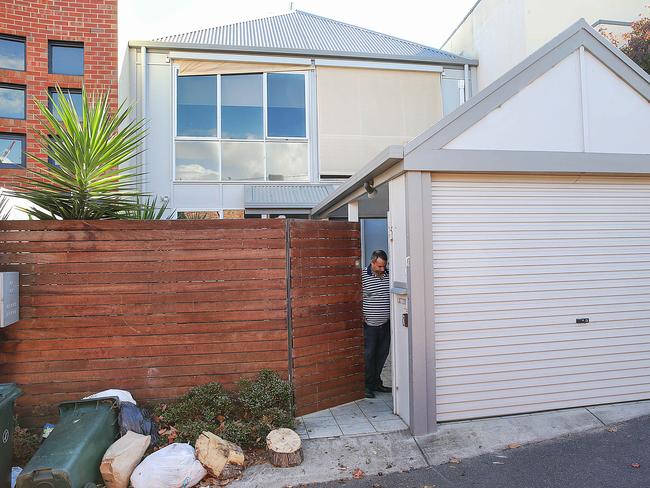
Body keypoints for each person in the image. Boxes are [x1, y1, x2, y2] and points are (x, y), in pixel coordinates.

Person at [362, 249, 391, 398]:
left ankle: (376, 382)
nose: (382, 269)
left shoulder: (389, 276)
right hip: (369, 327)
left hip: (385, 325)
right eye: (379, 266)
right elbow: (355, 297)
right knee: (369, 356)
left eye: (384, 266)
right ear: (372, 262)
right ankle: (366, 385)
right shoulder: (362, 276)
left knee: (382, 354)